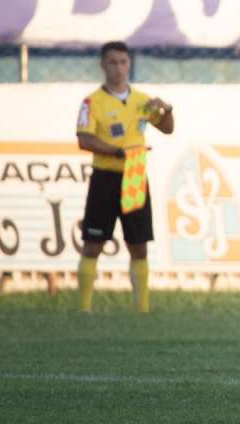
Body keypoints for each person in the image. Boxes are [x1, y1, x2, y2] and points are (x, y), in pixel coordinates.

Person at [76, 41, 174, 314]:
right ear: (102, 65)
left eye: (123, 62)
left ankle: (141, 309)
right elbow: (84, 139)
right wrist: (116, 152)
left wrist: (167, 110)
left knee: (138, 244)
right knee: (93, 244)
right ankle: (84, 308)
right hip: (105, 177)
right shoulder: (92, 102)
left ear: (129, 64)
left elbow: (167, 129)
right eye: (112, 62)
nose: (118, 68)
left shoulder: (142, 100)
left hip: (134, 177)